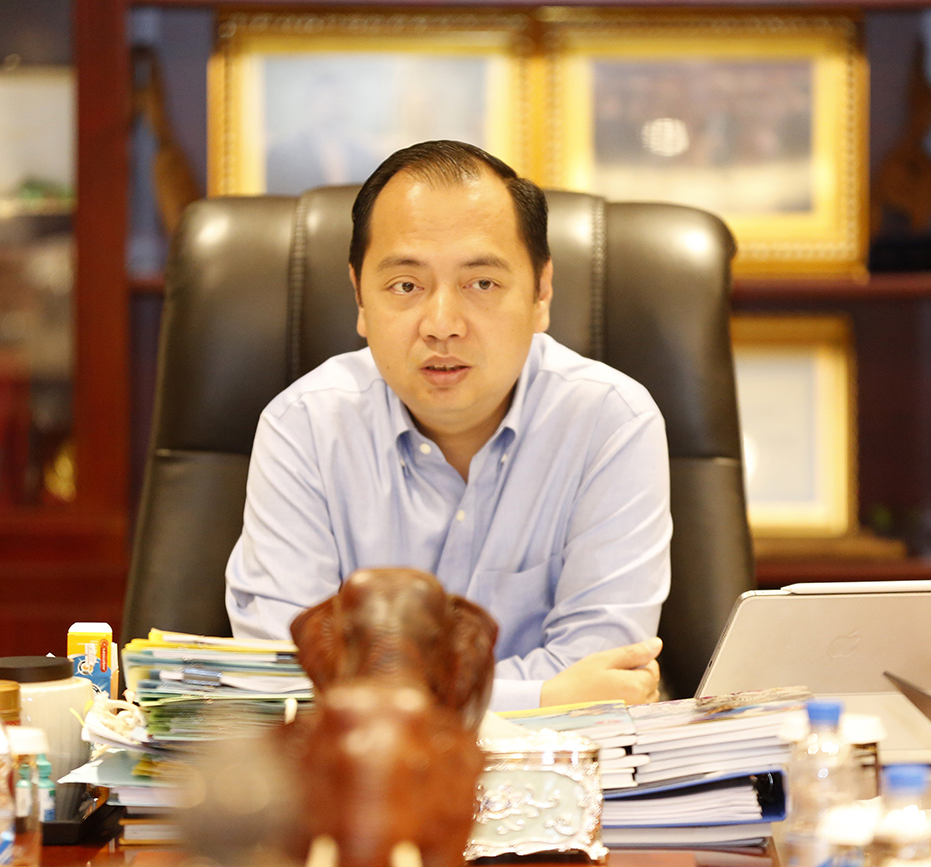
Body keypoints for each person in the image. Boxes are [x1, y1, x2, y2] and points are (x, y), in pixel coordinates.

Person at [225, 140, 670, 710]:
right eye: (406, 286)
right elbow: (283, 680)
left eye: (481, 283)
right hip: (365, 768)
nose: (441, 325)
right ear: (360, 296)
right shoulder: (304, 427)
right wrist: (540, 696)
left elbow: (606, 675)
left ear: (541, 293)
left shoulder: (611, 422)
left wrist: (379, 692)